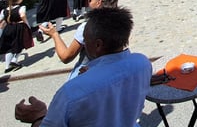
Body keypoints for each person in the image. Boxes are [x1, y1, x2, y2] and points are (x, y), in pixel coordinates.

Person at [15, 7, 152, 127]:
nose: (84, 44)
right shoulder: (142, 63)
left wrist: (38, 116)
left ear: (98, 45)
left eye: (85, 40)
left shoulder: (71, 91)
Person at [40, 0, 124, 80]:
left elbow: (66, 57)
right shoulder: (121, 24)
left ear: (98, 2)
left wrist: (54, 34)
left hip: (88, 73)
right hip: (112, 73)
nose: (89, 1)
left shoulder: (88, 27)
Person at [0, 0, 34, 73]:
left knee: (9, 47)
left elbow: (1, 19)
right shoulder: (21, 7)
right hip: (19, 27)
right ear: (19, 0)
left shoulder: (4, 10)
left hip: (8, 28)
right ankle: (14, 60)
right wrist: (27, 24)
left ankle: (7, 67)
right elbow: (22, 15)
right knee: (20, 44)